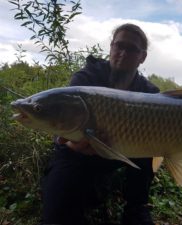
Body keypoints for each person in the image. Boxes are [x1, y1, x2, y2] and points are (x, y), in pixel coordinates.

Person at [41, 23, 160, 225]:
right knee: (56, 212)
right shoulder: (86, 77)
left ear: (142, 57)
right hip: (78, 151)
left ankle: (136, 207)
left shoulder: (149, 92)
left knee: (147, 146)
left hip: (124, 152)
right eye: (118, 45)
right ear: (111, 47)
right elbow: (61, 128)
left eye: (131, 49)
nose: (122, 53)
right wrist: (72, 144)